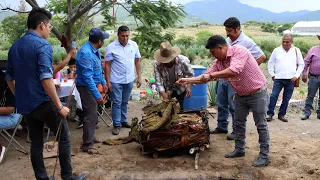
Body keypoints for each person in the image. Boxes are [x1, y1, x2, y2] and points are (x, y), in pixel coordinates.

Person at [6, 7, 86, 180]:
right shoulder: (42, 44)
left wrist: (19, 96)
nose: (50, 29)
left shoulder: (14, 47)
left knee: (36, 143)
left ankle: (42, 178)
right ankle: (67, 177)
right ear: (42, 25)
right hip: (43, 102)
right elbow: (46, 78)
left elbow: (9, 78)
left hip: (26, 105)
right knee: (63, 136)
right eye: (49, 26)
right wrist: (59, 106)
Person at [176, 35, 270, 167]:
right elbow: (205, 77)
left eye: (213, 52)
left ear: (220, 48)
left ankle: (264, 156)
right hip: (240, 95)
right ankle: (239, 150)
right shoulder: (219, 62)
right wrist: (187, 81)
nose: (213, 56)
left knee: (261, 125)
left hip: (257, 93)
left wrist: (212, 75)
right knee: (239, 123)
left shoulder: (239, 51)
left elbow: (234, 70)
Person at [211, 17, 266, 141]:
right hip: (224, 78)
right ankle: (222, 126)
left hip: (236, 80)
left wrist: (245, 72)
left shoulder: (247, 42)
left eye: (230, 30)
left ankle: (236, 130)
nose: (228, 33)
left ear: (238, 29)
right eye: (226, 30)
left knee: (234, 105)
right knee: (221, 102)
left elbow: (262, 56)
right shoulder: (227, 41)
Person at [76, 28, 109, 154]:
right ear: (99, 41)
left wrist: (104, 83)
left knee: (94, 113)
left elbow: (98, 70)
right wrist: (96, 94)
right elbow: (87, 77)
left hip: (94, 85)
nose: (104, 41)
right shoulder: (86, 53)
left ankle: (91, 138)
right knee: (90, 115)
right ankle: (87, 145)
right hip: (87, 87)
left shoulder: (94, 50)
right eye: (103, 39)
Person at [105, 26, 141, 135]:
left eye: (127, 36)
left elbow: (137, 62)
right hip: (116, 80)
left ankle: (123, 120)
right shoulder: (111, 47)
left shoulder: (134, 45)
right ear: (118, 35)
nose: (125, 38)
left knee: (125, 101)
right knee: (117, 102)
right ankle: (116, 124)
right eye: (123, 36)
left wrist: (139, 76)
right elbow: (107, 65)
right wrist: (108, 81)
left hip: (129, 79)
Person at [267, 33, 304, 122]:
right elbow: (270, 63)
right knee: (273, 96)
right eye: (283, 41)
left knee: (286, 98)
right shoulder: (276, 50)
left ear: (291, 42)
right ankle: (270, 114)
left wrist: (296, 76)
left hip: (291, 79)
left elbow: (301, 64)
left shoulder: (296, 50)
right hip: (278, 78)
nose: (285, 43)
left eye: (287, 42)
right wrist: (272, 74)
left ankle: (281, 115)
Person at [153, 42, 194, 109]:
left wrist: (188, 87)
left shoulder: (183, 61)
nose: (166, 63)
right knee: (167, 109)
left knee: (179, 108)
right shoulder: (157, 64)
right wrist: (164, 95)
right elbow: (158, 82)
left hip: (181, 88)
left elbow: (190, 75)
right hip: (167, 88)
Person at [301, 34, 320, 120]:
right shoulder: (313, 49)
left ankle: (319, 113)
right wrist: (304, 73)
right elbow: (306, 62)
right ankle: (306, 113)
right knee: (310, 95)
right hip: (313, 77)